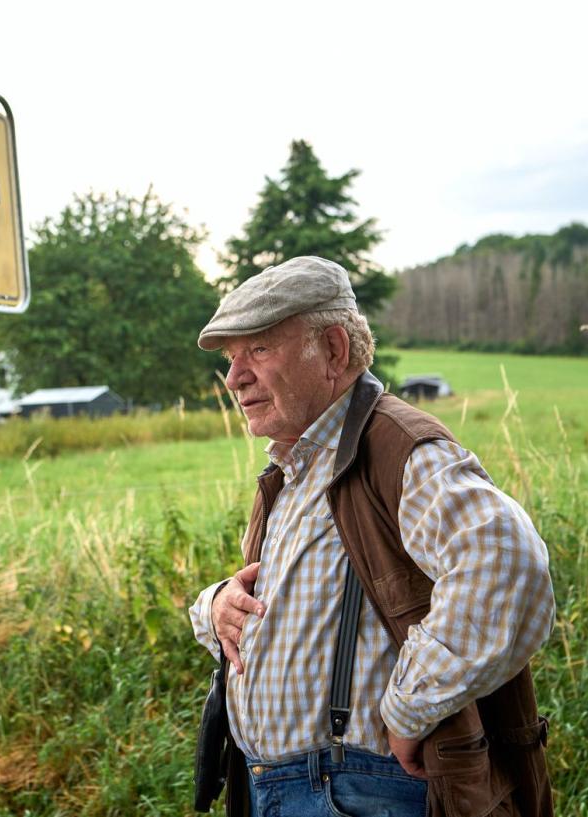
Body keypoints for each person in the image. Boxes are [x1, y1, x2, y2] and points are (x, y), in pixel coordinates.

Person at [189, 256, 555, 817]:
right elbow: (305, 605)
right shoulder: (297, 468)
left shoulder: (398, 448)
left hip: (356, 790)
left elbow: (506, 565)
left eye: (258, 350)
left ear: (333, 350)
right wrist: (216, 606)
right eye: (233, 358)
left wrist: (410, 710)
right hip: (287, 789)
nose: (236, 377)